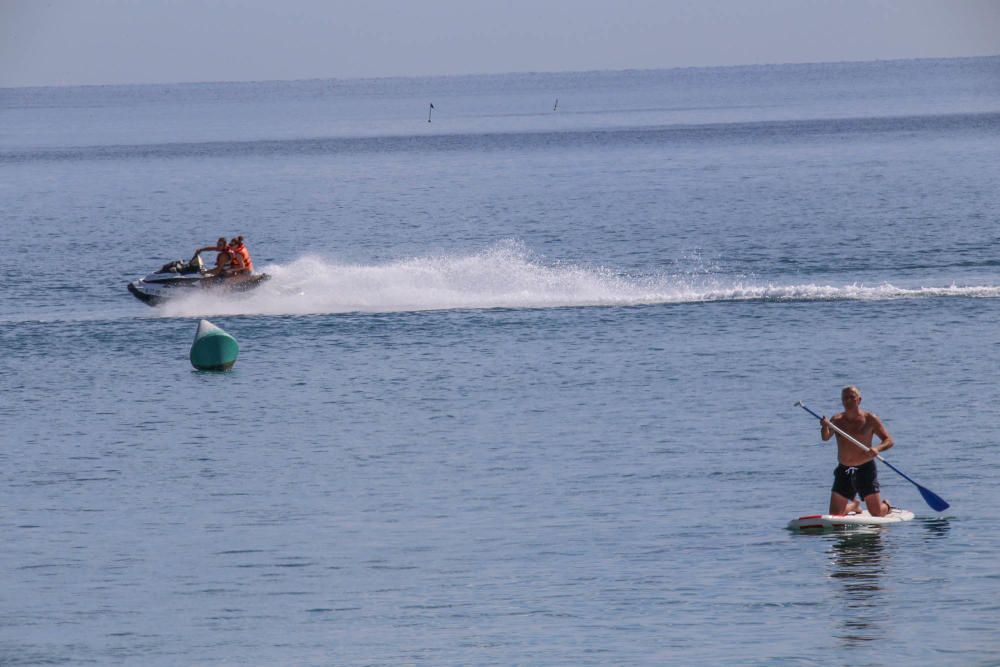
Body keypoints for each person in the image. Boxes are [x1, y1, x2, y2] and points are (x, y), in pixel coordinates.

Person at [820, 385, 894, 516]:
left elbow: (888, 440)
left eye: (852, 397)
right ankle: (854, 505)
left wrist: (877, 448)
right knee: (834, 515)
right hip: (844, 469)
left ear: (859, 400)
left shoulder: (870, 419)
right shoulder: (836, 420)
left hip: (865, 468)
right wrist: (825, 427)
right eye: (845, 398)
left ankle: (887, 505)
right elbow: (825, 437)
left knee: (876, 513)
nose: (848, 400)